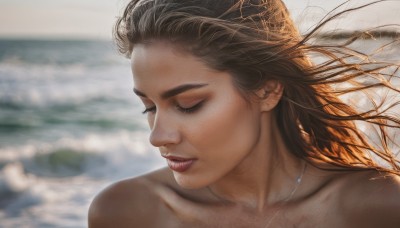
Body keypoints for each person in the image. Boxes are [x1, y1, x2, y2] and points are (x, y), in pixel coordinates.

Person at [88, 0, 400, 227]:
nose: (157, 136)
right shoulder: (126, 212)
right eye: (150, 107)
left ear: (267, 90)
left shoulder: (375, 208)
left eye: (188, 104)